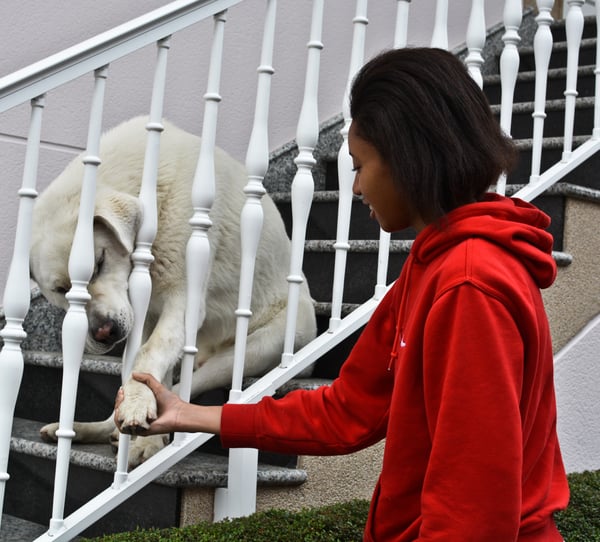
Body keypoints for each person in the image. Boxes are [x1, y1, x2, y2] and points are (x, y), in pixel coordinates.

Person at [115, 47, 570, 541]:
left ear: (406, 158)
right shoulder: (437, 265)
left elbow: (472, 510)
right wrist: (191, 414)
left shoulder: (468, 284)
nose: (354, 188)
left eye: (359, 165)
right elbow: (347, 410)